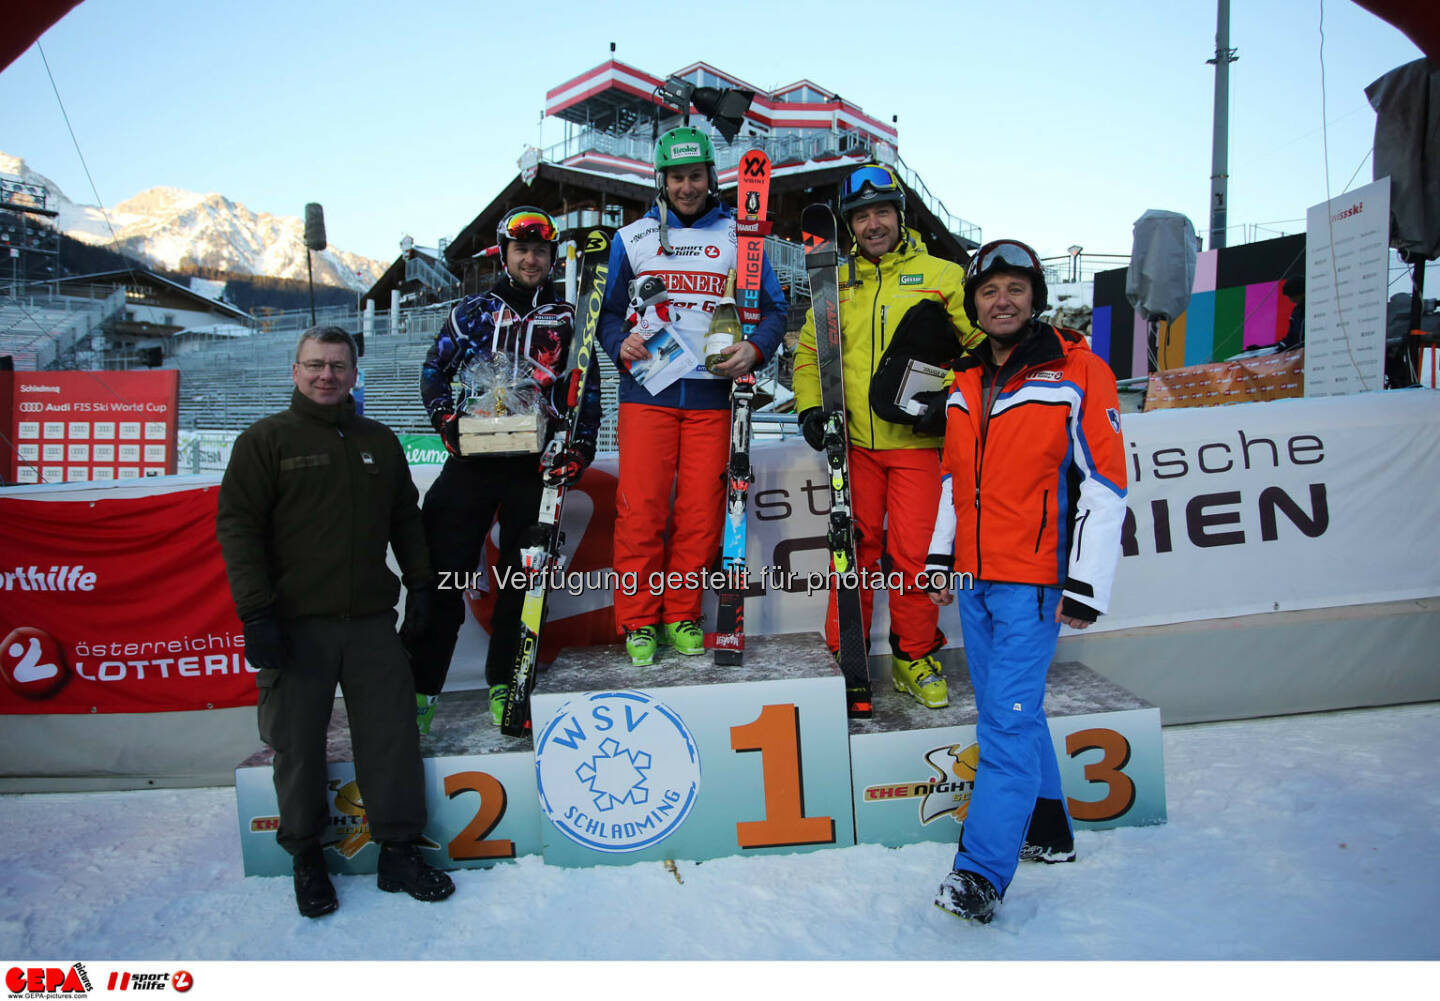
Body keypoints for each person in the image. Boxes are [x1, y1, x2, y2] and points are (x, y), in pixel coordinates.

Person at [216, 325, 455, 919]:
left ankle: (398, 849)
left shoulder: (378, 440)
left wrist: (421, 584)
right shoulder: (265, 440)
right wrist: (257, 613)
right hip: (295, 625)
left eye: (339, 366)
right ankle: (307, 856)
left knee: (393, 737)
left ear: (355, 373)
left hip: (370, 622)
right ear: (294, 371)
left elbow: (405, 516)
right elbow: (237, 528)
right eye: (315, 365)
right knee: (297, 745)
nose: (327, 375)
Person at [923, 239, 1127, 924]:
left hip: (1035, 583)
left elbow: (1105, 484)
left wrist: (1085, 585)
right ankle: (1050, 830)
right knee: (1010, 711)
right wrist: (941, 556)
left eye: (1014, 287)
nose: (1001, 300)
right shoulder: (964, 378)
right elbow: (953, 477)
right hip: (976, 578)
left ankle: (979, 873)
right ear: (974, 304)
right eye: (988, 290)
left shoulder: (1079, 371)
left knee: (1005, 725)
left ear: (1035, 297)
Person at [792, 163, 983, 716]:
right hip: (852, 449)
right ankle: (843, 657)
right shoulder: (834, 279)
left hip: (918, 447)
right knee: (851, 553)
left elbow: (976, 351)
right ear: (849, 225)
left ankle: (913, 655)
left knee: (916, 556)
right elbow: (808, 355)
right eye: (861, 216)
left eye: (882, 212)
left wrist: (943, 403)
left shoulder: (943, 275)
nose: (873, 224)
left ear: (900, 215)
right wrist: (810, 410)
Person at [400, 206, 601, 728]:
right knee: (441, 577)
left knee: (522, 582)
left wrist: (578, 449)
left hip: (535, 466)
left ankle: (506, 684)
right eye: (521, 250)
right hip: (473, 459)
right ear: (504, 255)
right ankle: (419, 690)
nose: (531, 258)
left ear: (551, 257)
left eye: (539, 251)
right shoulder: (473, 311)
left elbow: (588, 394)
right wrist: (448, 423)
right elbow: (433, 370)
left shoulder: (567, 319)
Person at [598, 126, 787, 666]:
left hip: (711, 394)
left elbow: (774, 311)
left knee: (702, 513)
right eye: (677, 177)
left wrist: (755, 349)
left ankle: (681, 612)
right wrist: (620, 342)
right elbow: (607, 314)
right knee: (641, 511)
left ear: (711, 178)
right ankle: (638, 621)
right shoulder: (631, 239)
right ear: (662, 180)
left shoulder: (738, 237)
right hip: (648, 390)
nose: (687, 187)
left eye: (696, 176)